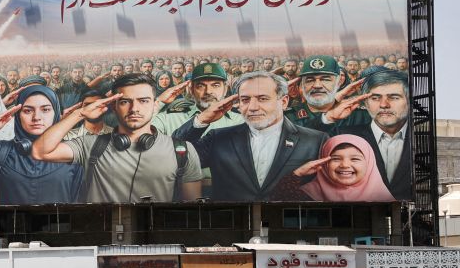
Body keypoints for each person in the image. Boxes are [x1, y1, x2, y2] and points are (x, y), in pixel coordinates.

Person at [32, 73, 203, 203]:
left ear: (154, 105)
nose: (134, 109)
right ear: (113, 106)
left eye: (143, 101)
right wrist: (80, 114)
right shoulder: (90, 145)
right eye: (125, 102)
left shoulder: (182, 151)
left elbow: (191, 212)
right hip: (101, 244)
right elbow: (40, 151)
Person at [173, 71, 326, 202]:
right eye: (245, 100)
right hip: (232, 228)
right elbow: (175, 158)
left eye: (262, 99)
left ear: (284, 102)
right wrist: (202, 120)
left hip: (289, 226)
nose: (252, 107)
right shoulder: (218, 138)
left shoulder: (315, 141)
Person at [0, 84, 83, 205]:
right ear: (17, 115)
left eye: (45, 110)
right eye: (28, 111)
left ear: (56, 113)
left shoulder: (72, 153)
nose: (37, 117)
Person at [309, 69, 411, 200]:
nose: (384, 105)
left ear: (408, 101)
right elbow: (302, 148)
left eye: (394, 97)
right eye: (375, 98)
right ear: (366, 103)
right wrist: (329, 117)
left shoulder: (421, 139)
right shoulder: (342, 135)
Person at [292, 135, 395, 202]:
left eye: (354, 159)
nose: (345, 165)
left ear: (369, 163)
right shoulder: (308, 194)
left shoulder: (384, 198)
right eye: (336, 159)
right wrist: (298, 174)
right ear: (324, 163)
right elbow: (277, 201)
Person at [153, 62, 243, 135]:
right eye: (201, 86)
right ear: (191, 90)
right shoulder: (171, 118)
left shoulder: (239, 121)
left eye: (215, 85)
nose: (208, 91)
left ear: (225, 89)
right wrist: (159, 102)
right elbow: (143, 138)